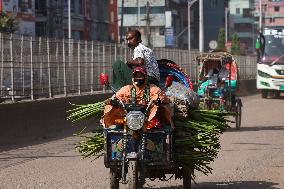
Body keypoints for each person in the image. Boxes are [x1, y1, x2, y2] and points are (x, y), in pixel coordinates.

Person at [102, 67, 173, 129]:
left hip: (148, 118)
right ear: (132, 78)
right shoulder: (127, 89)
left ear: (145, 77)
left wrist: (158, 101)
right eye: (136, 76)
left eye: (141, 76)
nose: (138, 78)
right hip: (130, 118)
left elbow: (161, 96)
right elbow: (117, 97)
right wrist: (113, 101)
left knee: (164, 127)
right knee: (111, 113)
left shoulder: (152, 89)